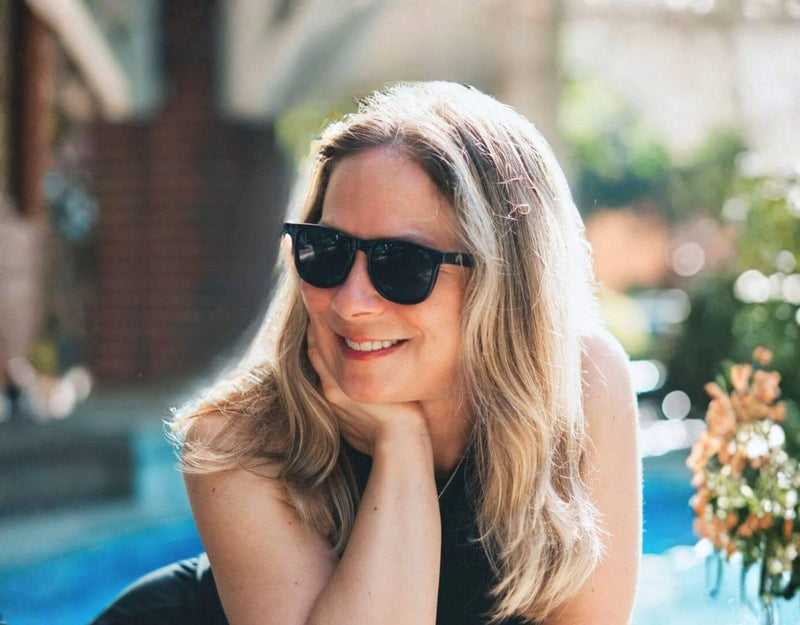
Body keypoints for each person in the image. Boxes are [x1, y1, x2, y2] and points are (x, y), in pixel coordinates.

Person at [91, 81, 641, 625]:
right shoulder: (236, 442)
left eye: (400, 263)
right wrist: (400, 445)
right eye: (326, 252)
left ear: (504, 281)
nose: (351, 303)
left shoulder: (585, 383)